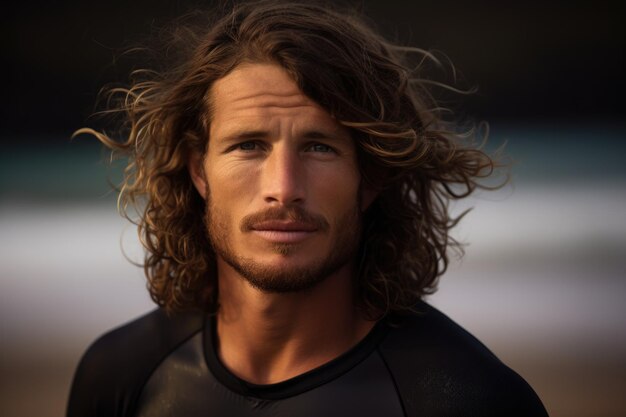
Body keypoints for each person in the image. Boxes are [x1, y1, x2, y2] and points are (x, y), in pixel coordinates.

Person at [67, 1, 548, 416]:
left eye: (319, 147)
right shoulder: (119, 375)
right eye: (249, 145)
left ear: (372, 176)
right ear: (199, 170)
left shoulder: (469, 399)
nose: (283, 188)